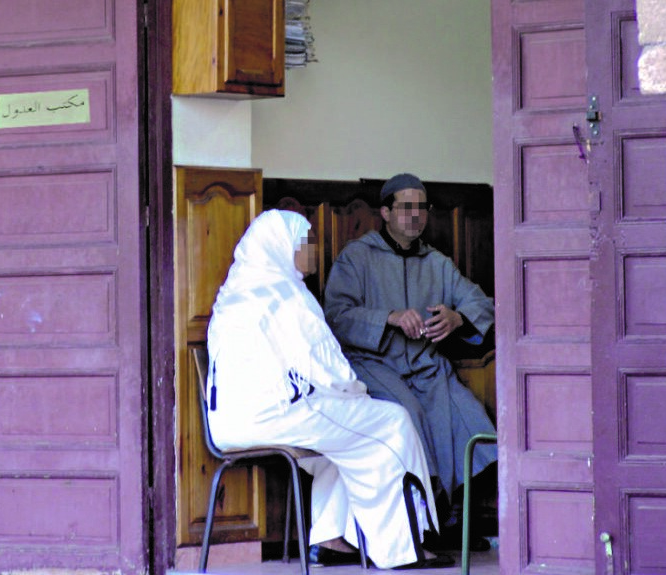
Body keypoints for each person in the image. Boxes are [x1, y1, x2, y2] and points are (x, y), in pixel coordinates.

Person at [206, 209, 454, 569]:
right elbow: (328, 369)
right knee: (391, 420)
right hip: (275, 416)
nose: (315, 251)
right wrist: (357, 394)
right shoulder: (287, 294)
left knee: (343, 443)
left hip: (229, 423)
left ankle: (329, 540)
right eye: (307, 243)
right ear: (284, 247)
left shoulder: (235, 293)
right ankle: (404, 547)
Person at [322, 173, 498, 537]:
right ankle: (421, 522)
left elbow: (480, 301)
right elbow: (335, 316)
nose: (415, 215)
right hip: (375, 364)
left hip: (427, 366)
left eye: (422, 208)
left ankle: (448, 515)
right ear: (385, 212)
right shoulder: (358, 256)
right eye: (406, 207)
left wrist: (457, 317)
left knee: (470, 416)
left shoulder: (437, 263)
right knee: (411, 416)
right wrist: (389, 318)